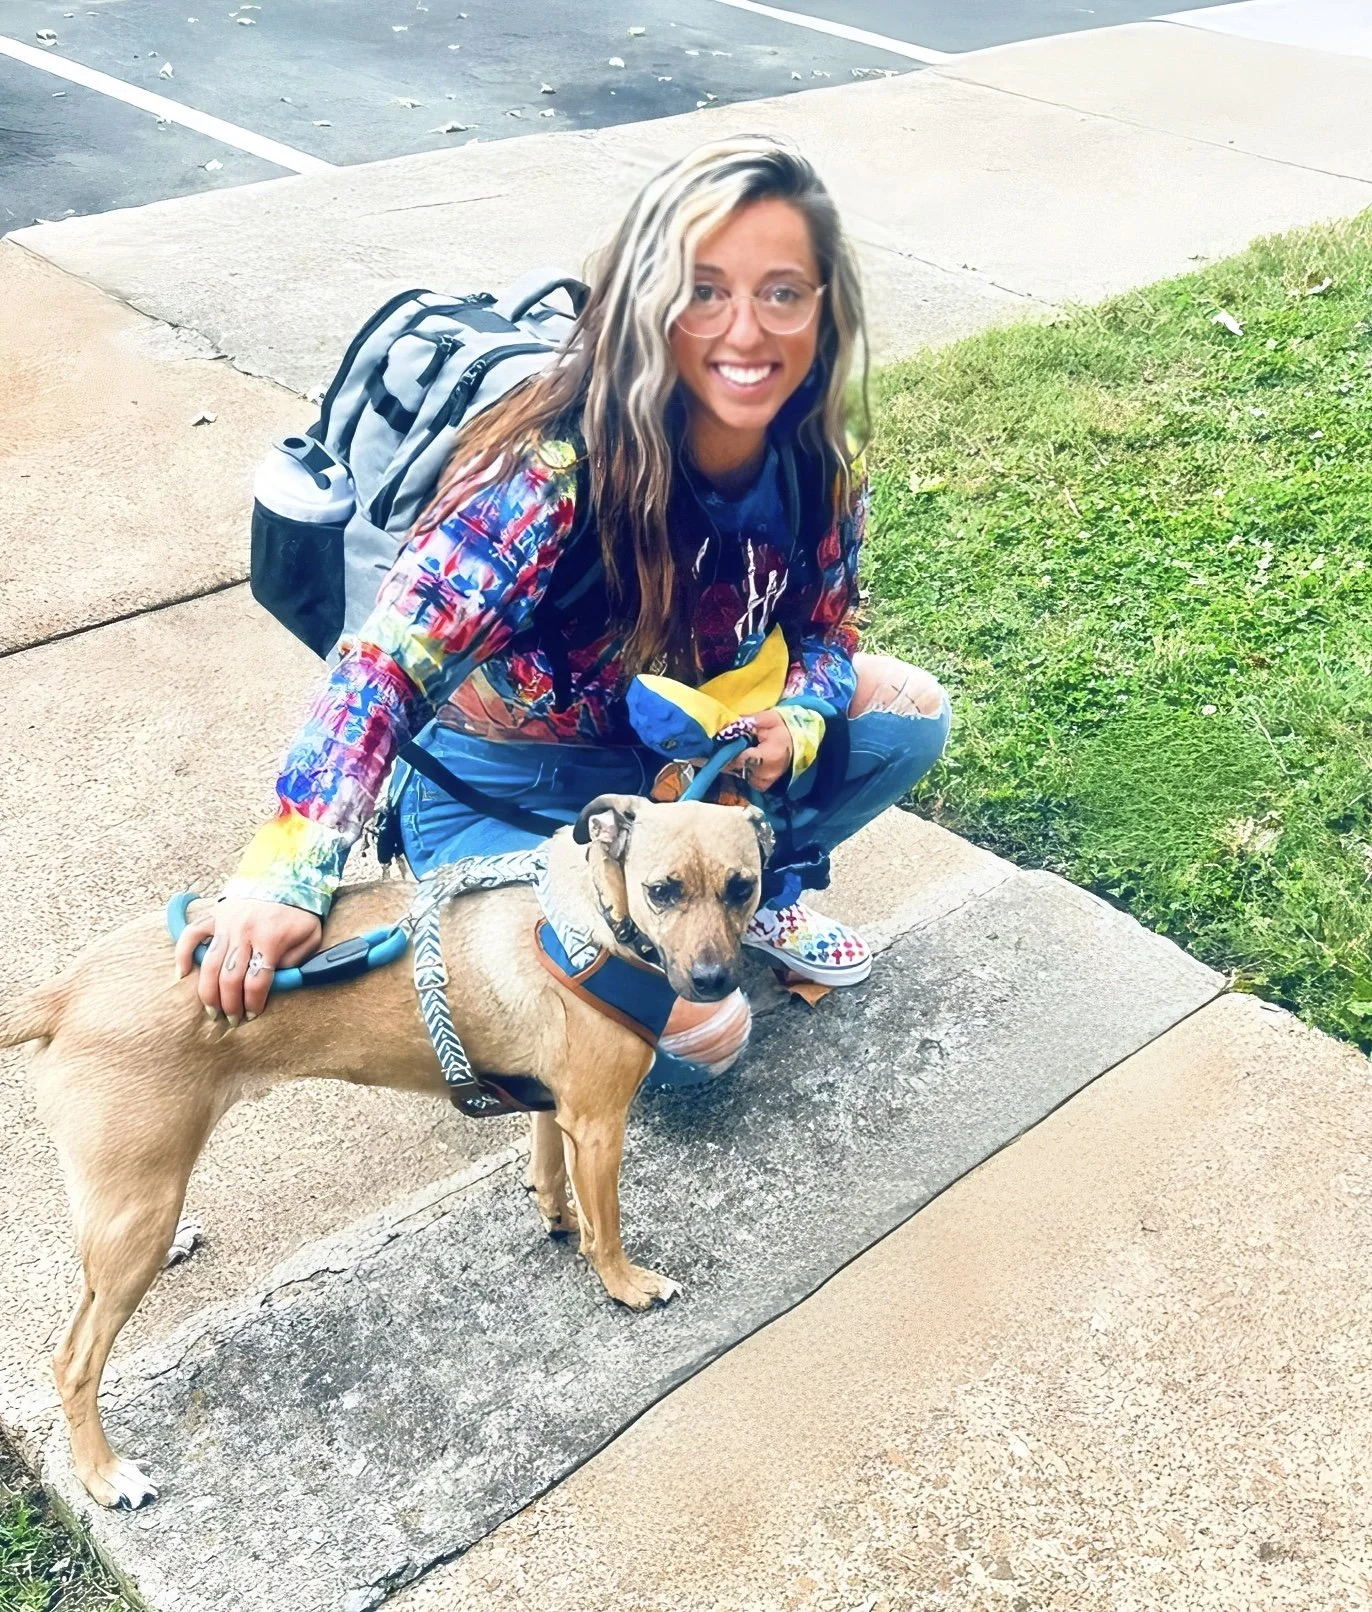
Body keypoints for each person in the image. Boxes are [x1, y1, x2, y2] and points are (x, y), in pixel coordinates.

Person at [177, 135, 950, 1080]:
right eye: (705, 291)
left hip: (680, 757)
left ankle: (746, 887)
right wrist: (285, 871)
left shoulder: (823, 452)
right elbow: (382, 668)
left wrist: (796, 718)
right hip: (501, 779)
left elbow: (826, 635)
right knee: (707, 1038)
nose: (746, 332)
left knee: (909, 715)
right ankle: (645, 922)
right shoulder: (549, 472)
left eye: (783, 291)